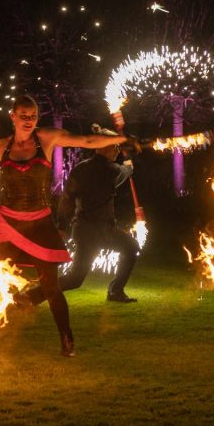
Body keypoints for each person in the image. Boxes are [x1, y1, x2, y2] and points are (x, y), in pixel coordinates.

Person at [0, 95, 128, 357]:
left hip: (39, 223)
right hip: (7, 224)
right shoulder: (2, 147)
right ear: (13, 117)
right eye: (24, 116)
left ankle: (67, 340)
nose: (29, 120)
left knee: (51, 287)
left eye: (33, 116)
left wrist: (121, 140)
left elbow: (86, 141)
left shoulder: (46, 138)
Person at [52, 124, 140, 303]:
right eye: (114, 146)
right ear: (102, 146)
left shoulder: (80, 168)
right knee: (75, 279)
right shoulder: (111, 170)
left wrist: (62, 225)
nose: (116, 150)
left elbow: (67, 198)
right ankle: (30, 296)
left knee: (130, 247)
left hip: (85, 230)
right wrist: (129, 157)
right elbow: (126, 171)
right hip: (97, 232)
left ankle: (115, 291)